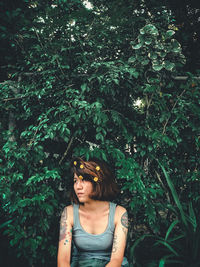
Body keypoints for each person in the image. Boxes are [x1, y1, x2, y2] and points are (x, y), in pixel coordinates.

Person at [57, 157, 129, 267]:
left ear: (99, 182)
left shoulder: (119, 213)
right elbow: (63, 260)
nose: (78, 186)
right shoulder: (69, 213)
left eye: (84, 180)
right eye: (75, 181)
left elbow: (116, 260)